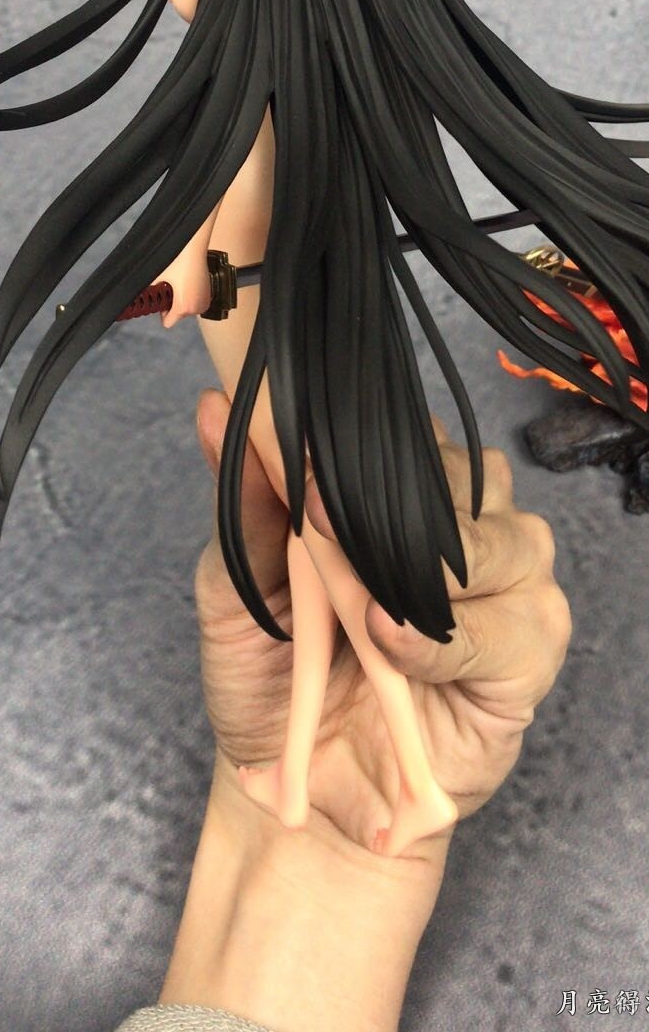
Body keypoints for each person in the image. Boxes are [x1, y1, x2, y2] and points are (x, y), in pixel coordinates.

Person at [111, 389, 572, 1032]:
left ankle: (388, 787)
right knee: (339, 656)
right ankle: (327, 783)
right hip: (318, 526)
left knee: (369, 651)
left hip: (327, 526)